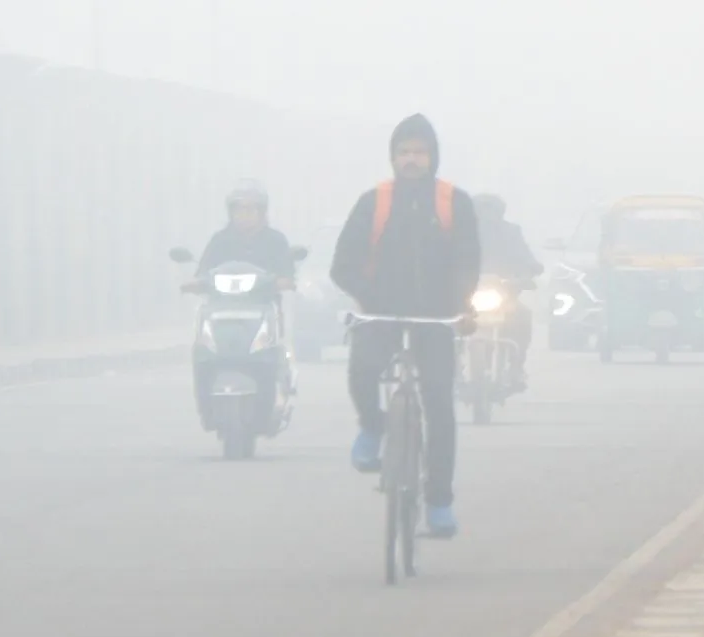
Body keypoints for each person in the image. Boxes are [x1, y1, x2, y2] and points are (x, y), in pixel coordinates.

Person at [329, 113, 481, 538]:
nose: (411, 160)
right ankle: (373, 426)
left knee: (438, 403)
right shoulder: (373, 202)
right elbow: (342, 264)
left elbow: (468, 260)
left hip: (437, 316)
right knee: (362, 369)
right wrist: (368, 295)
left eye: (419, 152)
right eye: (404, 152)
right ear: (393, 158)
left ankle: (438, 502)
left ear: (433, 157)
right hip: (381, 312)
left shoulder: (455, 202)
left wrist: (461, 303)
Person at [185, 180, 297, 430]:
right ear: (231, 213)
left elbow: (287, 273)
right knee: (202, 351)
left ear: (261, 212)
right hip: (220, 310)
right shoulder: (220, 240)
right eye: (239, 210)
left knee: (273, 350)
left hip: (262, 309)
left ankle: (275, 393)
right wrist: (195, 283)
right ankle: (206, 406)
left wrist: (283, 281)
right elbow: (203, 271)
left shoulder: (275, 240)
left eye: (250, 210)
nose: (244, 215)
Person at [472, 193, 543, 386]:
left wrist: (528, 272)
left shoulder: (511, 233)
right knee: (443, 325)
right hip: (464, 299)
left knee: (522, 317)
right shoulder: (459, 233)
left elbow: (525, 257)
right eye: (481, 209)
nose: (486, 215)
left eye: (490, 210)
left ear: (500, 212)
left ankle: (516, 366)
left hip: (504, 297)